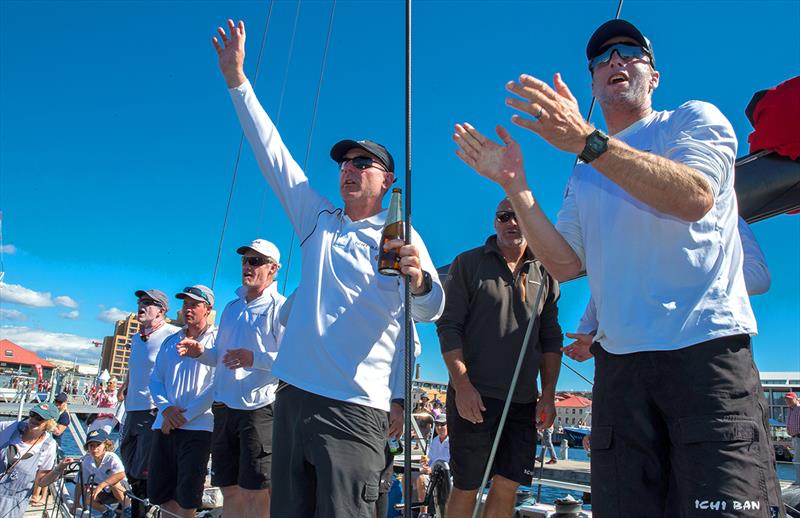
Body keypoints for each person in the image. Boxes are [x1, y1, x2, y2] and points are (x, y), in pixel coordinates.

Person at [454, 18, 784, 516]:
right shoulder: (583, 174)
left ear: (654, 77)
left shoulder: (692, 121)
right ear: (592, 83)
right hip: (621, 374)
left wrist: (589, 140)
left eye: (631, 51)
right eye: (603, 57)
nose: (616, 60)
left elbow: (694, 196)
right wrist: (517, 186)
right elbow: (564, 264)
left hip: (705, 360)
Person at [212, 19, 444, 518]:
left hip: (355, 410)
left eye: (363, 163)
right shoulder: (317, 220)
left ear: (387, 181)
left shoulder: (400, 235)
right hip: (292, 401)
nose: (349, 169)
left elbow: (427, 309)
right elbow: (273, 155)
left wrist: (420, 280)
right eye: (344, 163)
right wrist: (238, 82)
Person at [435, 198, 563, 517]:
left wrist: (547, 395)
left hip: (523, 401)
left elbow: (551, 339)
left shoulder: (546, 275)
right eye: (504, 216)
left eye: (519, 216)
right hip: (474, 397)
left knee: (508, 484)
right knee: (468, 484)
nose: (512, 223)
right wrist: (462, 386)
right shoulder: (468, 263)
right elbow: (449, 326)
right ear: (495, 223)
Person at [564, 216, 771, 361]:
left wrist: (667, 283)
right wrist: (593, 341)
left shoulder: (723, 216)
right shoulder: (622, 237)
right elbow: (592, 317)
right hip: (631, 371)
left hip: (707, 358)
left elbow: (758, 276)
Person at [177, 241, 285, 518]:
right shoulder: (231, 308)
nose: (248, 266)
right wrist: (201, 352)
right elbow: (221, 357)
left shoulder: (279, 307)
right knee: (229, 487)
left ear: (273, 268)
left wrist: (254, 358)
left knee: (256, 491)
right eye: (245, 260)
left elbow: (291, 360)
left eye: (256, 261)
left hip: (257, 410)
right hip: (224, 407)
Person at [148, 285, 217, 518]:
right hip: (164, 424)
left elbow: (215, 386)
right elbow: (156, 379)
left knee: (187, 495)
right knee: (162, 493)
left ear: (207, 308)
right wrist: (166, 409)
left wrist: (184, 417)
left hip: (198, 428)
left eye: (194, 304)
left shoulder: (217, 341)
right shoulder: (169, 341)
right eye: (185, 304)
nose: (188, 309)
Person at [119, 289, 180, 517]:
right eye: (139, 301)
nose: (141, 306)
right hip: (131, 408)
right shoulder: (137, 337)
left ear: (162, 310)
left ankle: (143, 512)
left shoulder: (173, 334)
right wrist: (125, 384)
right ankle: (138, 505)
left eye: (148, 303)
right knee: (128, 462)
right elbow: (137, 366)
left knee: (143, 471)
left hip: (152, 409)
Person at [44, 429, 130, 518]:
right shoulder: (87, 460)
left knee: (115, 484)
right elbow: (81, 482)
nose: (95, 449)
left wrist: (101, 486)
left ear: (105, 445)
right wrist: (76, 503)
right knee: (88, 496)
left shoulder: (111, 457)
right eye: (91, 445)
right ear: (88, 447)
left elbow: (121, 474)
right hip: (104, 491)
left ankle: (128, 508)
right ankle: (106, 511)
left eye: (98, 445)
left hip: (120, 490)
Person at [0, 403, 59, 518]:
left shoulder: (49, 445)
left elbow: (42, 481)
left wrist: (59, 469)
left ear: (49, 423)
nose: (34, 420)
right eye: (33, 415)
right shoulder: (9, 428)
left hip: (14, 506)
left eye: (40, 418)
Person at [30, 392, 71, 506]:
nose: (57, 404)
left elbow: (58, 432)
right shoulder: (54, 411)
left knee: (47, 471)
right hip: (43, 442)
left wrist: (48, 425)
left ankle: (42, 498)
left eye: (60, 402)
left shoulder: (65, 416)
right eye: (56, 401)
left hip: (54, 444)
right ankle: (36, 495)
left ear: (65, 403)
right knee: (39, 469)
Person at [786, 392, 800, 485]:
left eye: (790, 399)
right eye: (787, 399)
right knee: (796, 460)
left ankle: (799, 482)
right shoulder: (790, 409)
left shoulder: (799, 408)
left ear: (795, 398)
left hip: (799, 437)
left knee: (797, 460)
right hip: (794, 438)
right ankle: (798, 480)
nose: (788, 401)